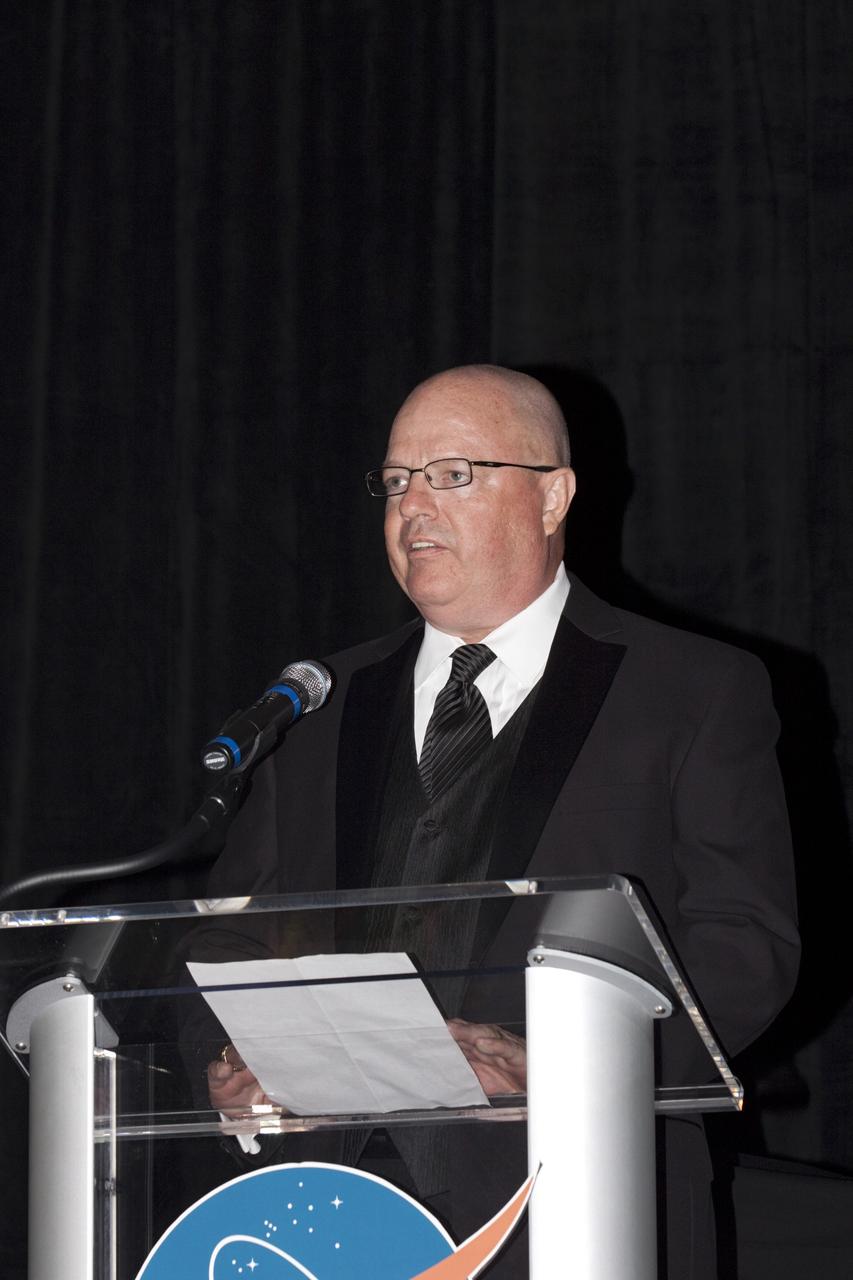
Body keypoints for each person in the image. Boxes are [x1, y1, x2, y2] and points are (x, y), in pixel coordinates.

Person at [195, 364, 800, 1278]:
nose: (411, 507)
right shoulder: (317, 705)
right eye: (396, 480)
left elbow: (747, 946)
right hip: (318, 1213)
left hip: (580, 1203)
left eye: (453, 474)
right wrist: (231, 1060)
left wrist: (558, 1067)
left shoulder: (693, 689)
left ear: (552, 496)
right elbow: (230, 937)